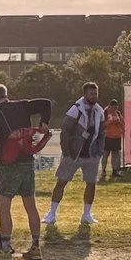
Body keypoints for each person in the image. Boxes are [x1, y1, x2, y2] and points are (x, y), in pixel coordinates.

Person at [0, 86, 50, 260]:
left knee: (3, 206)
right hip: (27, 161)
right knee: (30, 205)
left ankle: (5, 247)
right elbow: (45, 103)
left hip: (8, 164)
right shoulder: (22, 105)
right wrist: (44, 122)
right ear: (6, 95)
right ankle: (35, 246)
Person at [46, 81, 106, 229]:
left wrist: (99, 151)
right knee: (62, 182)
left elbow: (101, 133)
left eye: (96, 93)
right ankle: (51, 213)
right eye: (91, 94)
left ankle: (87, 214)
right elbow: (65, 131)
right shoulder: (76, 109)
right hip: (74, 154)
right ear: (85, 94)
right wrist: (67, 152)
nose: (94, 96)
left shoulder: (99, 111)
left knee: (91, 183)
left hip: (91, 155)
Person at [103, 101, 125, 178]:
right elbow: (102, 125)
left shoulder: (117, 113)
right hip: (107, 137)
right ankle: (103, 170)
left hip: (117, 137)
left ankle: (114, 171)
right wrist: (109, 122)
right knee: (105, 154)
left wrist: (119, 122)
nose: (114, 109)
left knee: (115, 155)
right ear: (110, 106)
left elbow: (123, 123)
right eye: (113, 107)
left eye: (116, 108)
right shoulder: (105, 113)